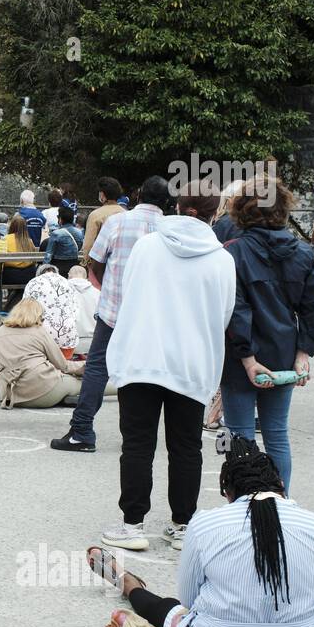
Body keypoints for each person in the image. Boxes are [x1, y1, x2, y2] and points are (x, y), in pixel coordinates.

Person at [88, 439, 314, 627]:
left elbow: (189, 601)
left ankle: (127, 583)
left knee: (176, 613)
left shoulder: (206, 524)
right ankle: (127, 582)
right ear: (282, 484)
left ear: (226, 493)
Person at [101, 178, 235, 551]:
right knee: (186, 446)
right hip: (191, 362)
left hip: (142, 354)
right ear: (214, 213)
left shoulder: (147, 246)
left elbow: (130, 291)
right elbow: (225, 314)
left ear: (177, 205)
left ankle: (132, 523)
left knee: (138, 444)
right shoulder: (222, 258)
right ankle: (182, 524)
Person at [219, 178, 314, 492]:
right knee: (277, 433)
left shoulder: (232, 252)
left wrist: (247, 356)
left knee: (238, 434)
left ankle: (242, 501)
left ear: (241, 210)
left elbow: (236, 311)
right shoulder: (303, 252)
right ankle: (280, 499)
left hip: (240, 356)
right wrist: (303, 352)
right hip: (285, 351)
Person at [50, 175, 164, 453]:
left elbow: (96, 260)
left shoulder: (117, 222)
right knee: (142, 372)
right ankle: (137, 435)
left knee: (98, 366)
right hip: (151, 315)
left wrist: (110, 284)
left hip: (115, 309)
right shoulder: (167, 228)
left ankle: (82, 430)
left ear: (137, 196)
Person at [0, 297, 92, 407]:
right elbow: (63, 365)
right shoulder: (39, 331)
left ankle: (63, 398)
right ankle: (104, 384)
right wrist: (87, 366)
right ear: (37, 316)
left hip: (14, 397)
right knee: (83, 384)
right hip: (45, 388)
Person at [23, 263, 80, 357]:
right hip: (68, 336)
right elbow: (76, 311)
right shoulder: (67, 282)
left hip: (41, 336)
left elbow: (25, 311)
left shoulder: (33, 282)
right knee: (64, 365)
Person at [81, 176, 125, 264]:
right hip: (122, 261)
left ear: (102, 195)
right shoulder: (125, 213)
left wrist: (86, 262)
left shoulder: (96, 215)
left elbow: (88, 245)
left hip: (100, 264)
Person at [0, 214, 37, 309]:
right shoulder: (29, 241)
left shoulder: (5, 239)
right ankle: (18, 305)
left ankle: (10, 307)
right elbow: (34, 261)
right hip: (28, 275)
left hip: (10, 275)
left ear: (12, 226)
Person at [41, 202, 83, 274]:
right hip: (73, 265)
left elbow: (48, 254)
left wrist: (44, 270)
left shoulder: (56, 234)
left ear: (60, 219)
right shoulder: (79, 232)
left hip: (58, 266)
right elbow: (79, 247)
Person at [67, 264, 99, 338]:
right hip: (92, 336)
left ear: (69, 275)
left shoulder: (62, 292)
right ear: (86, 277)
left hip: (70, 338)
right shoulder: (97, 293)